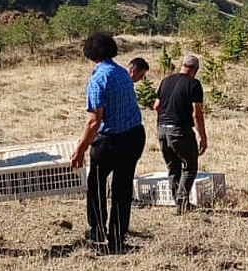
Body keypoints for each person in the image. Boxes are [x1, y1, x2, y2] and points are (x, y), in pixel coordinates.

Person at [71, 32, 146, 253]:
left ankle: (97, 230)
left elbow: (94, 121)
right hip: (133, 136)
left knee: (96, 185)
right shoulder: (123, 73)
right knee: (122, 188)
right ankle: (117, 238)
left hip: (110, 141)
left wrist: (80, 149)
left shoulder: (97, 80)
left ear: (90, 54)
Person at [153, 55, 208, 215]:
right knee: (190, 166)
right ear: (195, 70)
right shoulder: (193, 84)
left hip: (162, 129)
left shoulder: (166, 80)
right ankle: (182, 202)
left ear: (182, 65)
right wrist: (203, 137)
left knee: (173, 167)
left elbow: (156, 106)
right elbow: (196, 113)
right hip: (180, 130)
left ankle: (178, 200)